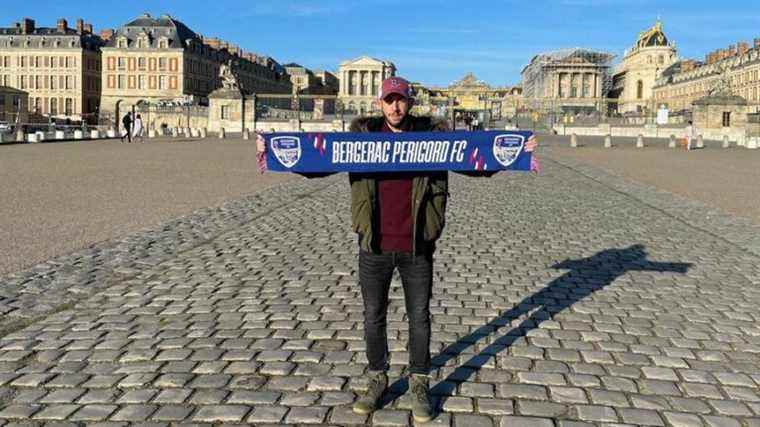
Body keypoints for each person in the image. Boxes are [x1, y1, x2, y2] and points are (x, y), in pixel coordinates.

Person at [257, 77, 537, 423]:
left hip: (417, 243)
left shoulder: (432, 139)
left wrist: (513, 154)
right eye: (389, 100)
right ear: (380, 103)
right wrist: (273, 152)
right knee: (373, 315)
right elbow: (320, 163)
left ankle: (419, 381)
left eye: (401, 100)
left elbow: (472, 162)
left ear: (410, 103)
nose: (395, 107)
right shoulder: (360, 140)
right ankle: (378, 377)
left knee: (418, 316)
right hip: (374, 243)